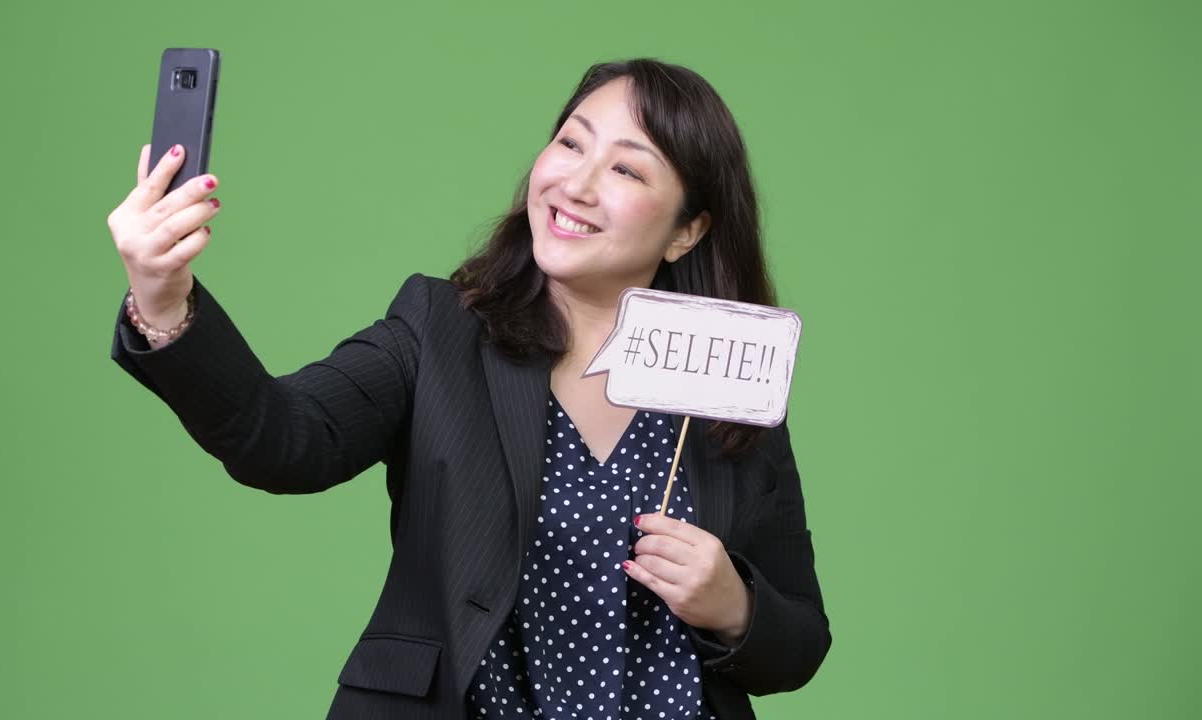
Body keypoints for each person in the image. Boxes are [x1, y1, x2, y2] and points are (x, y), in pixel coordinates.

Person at [106, 57, 831, 720]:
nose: (575, 184)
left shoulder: (728, 382)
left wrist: (734, 606)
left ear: (687, 231)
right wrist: (165, 302)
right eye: (572, 144)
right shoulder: (439, 331)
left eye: (627, 171)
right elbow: (284, 440)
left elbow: (801, 640)